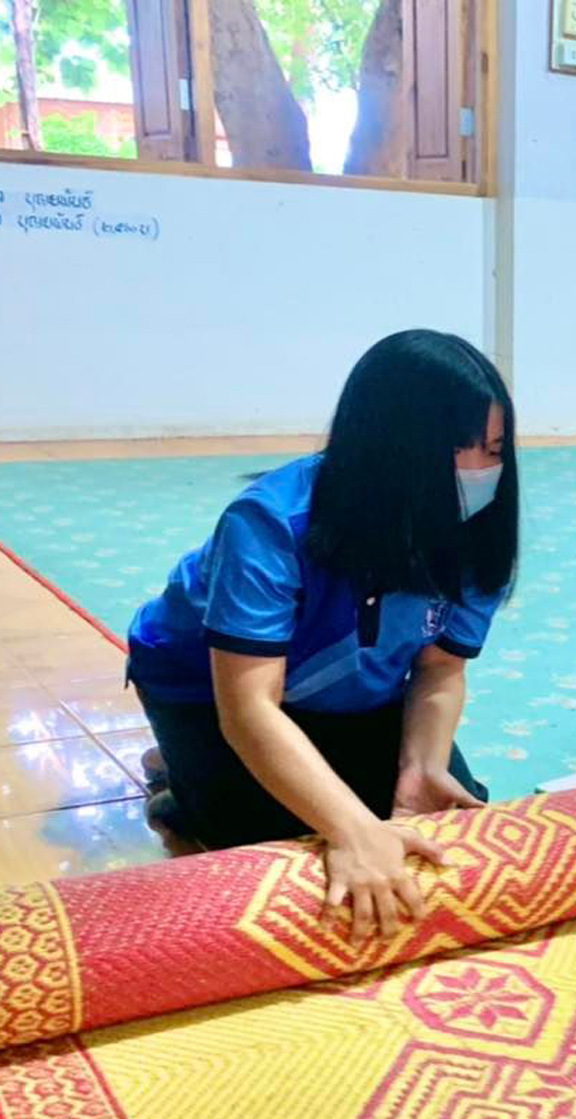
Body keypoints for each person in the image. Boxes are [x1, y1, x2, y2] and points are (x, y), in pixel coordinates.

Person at [127, 330, 515, 939]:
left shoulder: (478, 532)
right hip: (210, 693)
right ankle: (181, 781)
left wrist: (420, 768)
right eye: (452, 452)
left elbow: (441, 668)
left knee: (443, 822)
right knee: (277, 859)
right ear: (384, 453)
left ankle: (298, 774)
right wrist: (353, 829)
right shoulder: (271, 523)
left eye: (493, 450)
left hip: (357, 690)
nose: (478, 471)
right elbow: (250, 706)